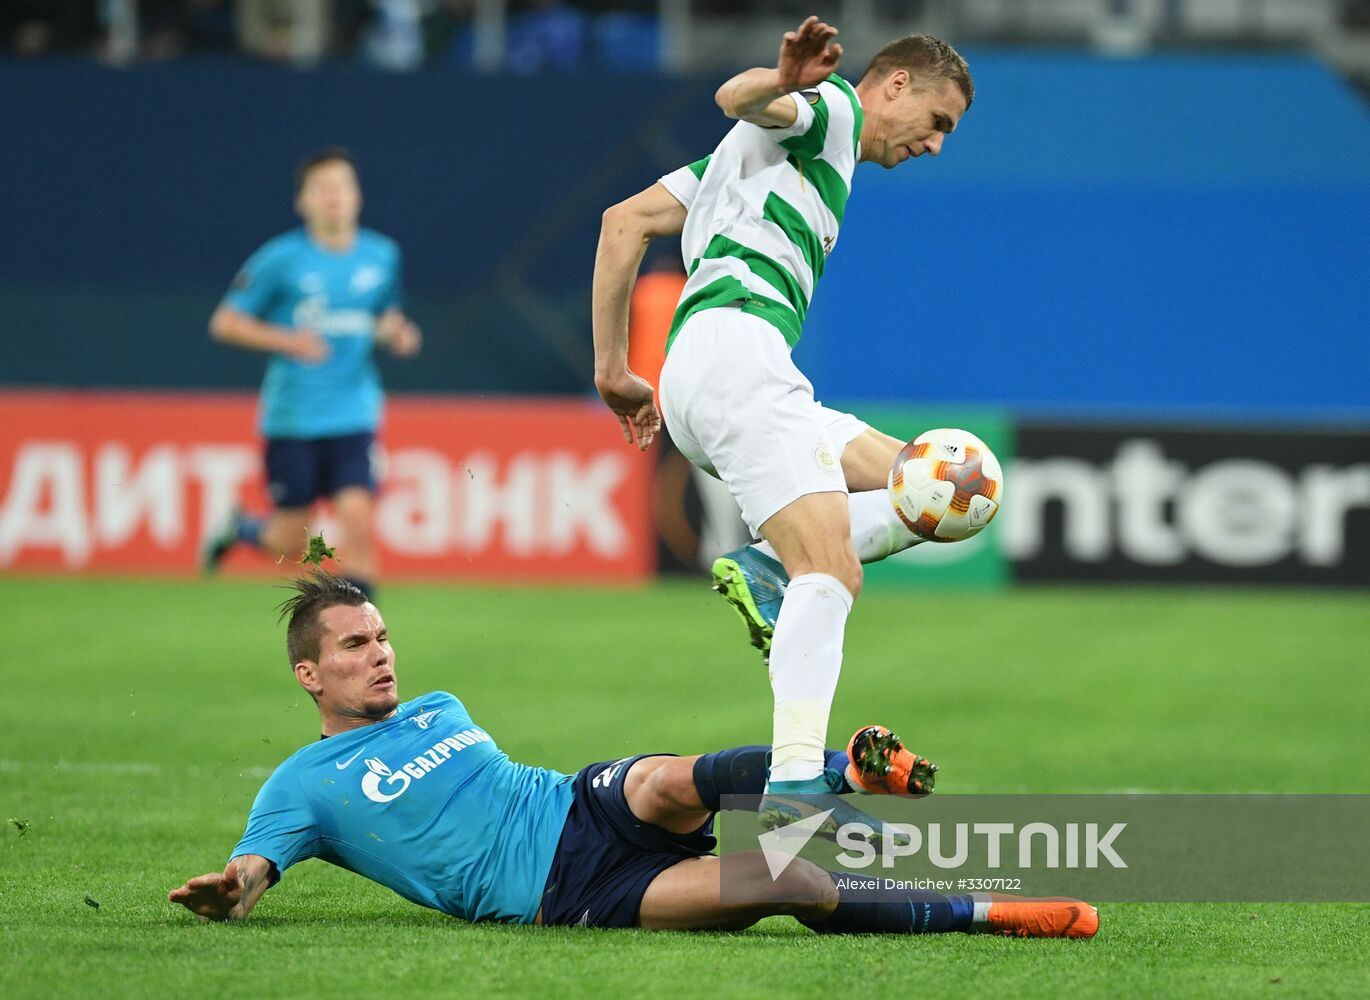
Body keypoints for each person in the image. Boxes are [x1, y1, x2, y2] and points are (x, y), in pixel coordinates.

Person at [168, 573, 1097, 938]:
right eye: (354, 647)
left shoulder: (436, 705)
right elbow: (253, 870)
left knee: (666, 777)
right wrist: (233, 890)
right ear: (308, 673)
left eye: (381, 637)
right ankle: (987, 912)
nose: (380, 655)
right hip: (561, 893)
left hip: (581, 804)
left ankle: (839, 775)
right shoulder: (303, 786)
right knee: (785, 884)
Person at [592, 17, 976, 800]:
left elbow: (622, 223)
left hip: (706, 370)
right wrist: (787, 77)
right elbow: (738, 96)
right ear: (896, 85)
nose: (936, 145)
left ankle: (767, 566)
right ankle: (796, 784)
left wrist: (612, 370)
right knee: (829, 567)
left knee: (948, 484)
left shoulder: (741, 164)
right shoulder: (834, 111)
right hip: (739, 359)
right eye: (938, 123)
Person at [201, 148, 421, 600]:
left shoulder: (381, 256)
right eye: (322, 188)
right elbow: (224, 322)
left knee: (357, 520)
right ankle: (239, 527)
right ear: (303, 202)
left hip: (354, 412)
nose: (334, 196)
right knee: (291, 542)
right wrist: (288, 341)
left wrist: (397, 334)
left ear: (358, 196)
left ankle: (368, 645)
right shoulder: (280, 259)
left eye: (342, 186)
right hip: (293, 417)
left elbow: (384, 316)